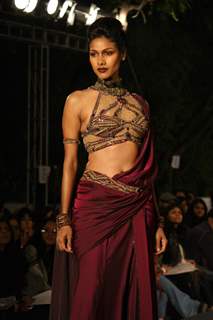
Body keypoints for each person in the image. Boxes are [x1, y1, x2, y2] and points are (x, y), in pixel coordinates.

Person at [50, 17, 167, 320]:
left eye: (108, 52)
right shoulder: (76, 101)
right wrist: (63, 219)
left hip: (138, 207)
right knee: (90, 292)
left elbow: (148, 169)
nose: (100, 61)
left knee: (134, 290)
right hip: (95, 206)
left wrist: (160, 223)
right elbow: (70, 164)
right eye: (93, 53)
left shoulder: (141, 104)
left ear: (123, 54)